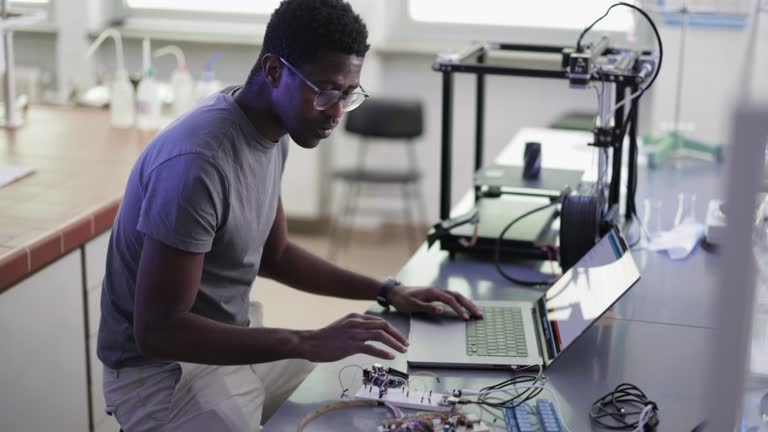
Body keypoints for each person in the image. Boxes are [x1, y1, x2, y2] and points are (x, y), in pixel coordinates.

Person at [97, 0, 482, 430]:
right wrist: (304, 340)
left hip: (230, 344)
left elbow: (274, 254)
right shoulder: (197, 164)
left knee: (364, 386)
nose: (336, 111)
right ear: (274, 71)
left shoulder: (272, 132)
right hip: (163, 374)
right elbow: (158, 331)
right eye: (325, 91)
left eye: (348, 94)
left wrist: (387, 290)